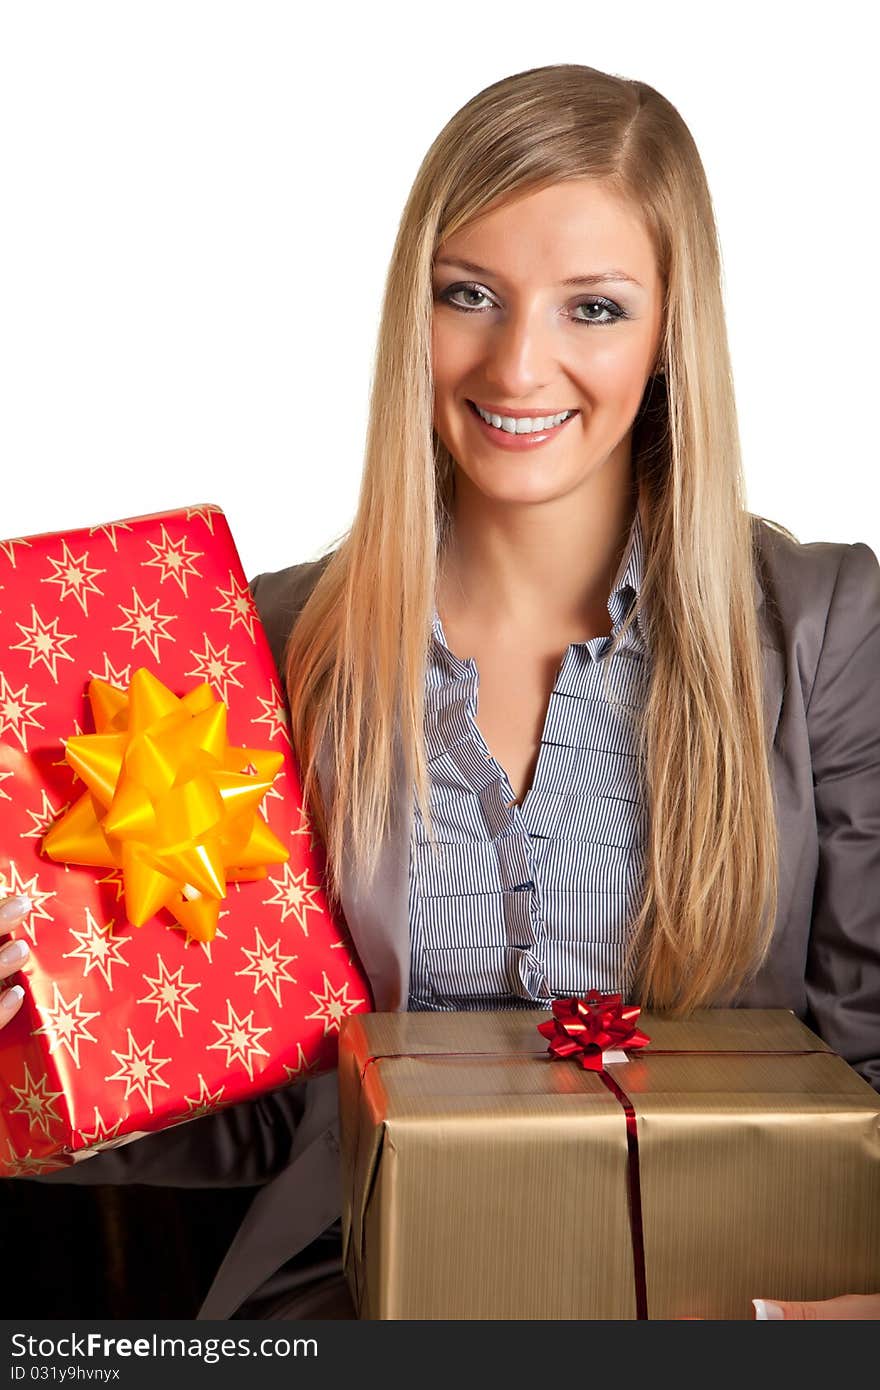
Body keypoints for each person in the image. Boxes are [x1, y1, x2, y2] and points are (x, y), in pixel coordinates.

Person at [2, 62, 879, 1321]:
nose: (518, 365)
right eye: (468, 295)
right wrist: (48, 1040)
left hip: (725, 1307)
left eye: (593, 308)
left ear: (674, 329)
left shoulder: (822, 628)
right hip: (359, 1312)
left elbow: (868, 1062)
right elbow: (260, 1108)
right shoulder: (266, 644)